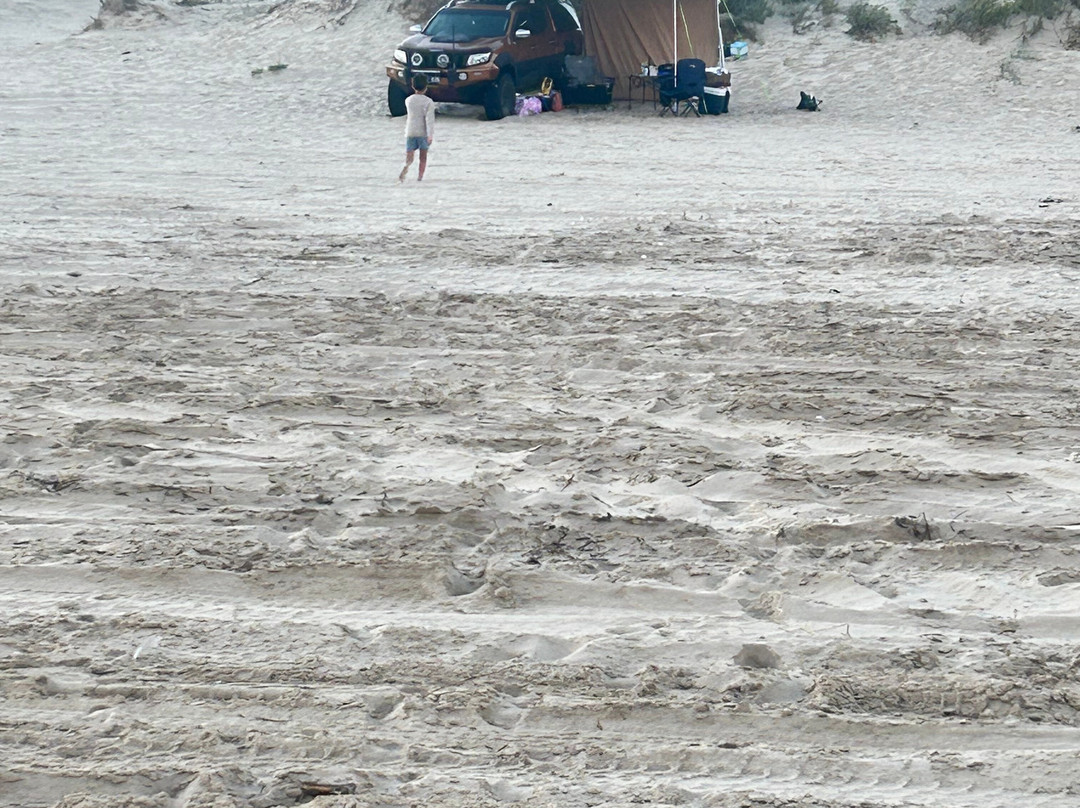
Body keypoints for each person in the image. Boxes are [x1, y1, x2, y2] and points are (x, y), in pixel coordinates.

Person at [399, 75, 435, 182]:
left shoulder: (408, 100)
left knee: (409, 157)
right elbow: (429, 120)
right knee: (423, 158)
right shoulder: (428, 102)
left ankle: (406, 167)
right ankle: (420, 177)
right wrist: (430, 135)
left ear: (413, 86)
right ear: (426, 87)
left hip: (410, 131)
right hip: (422, 132)